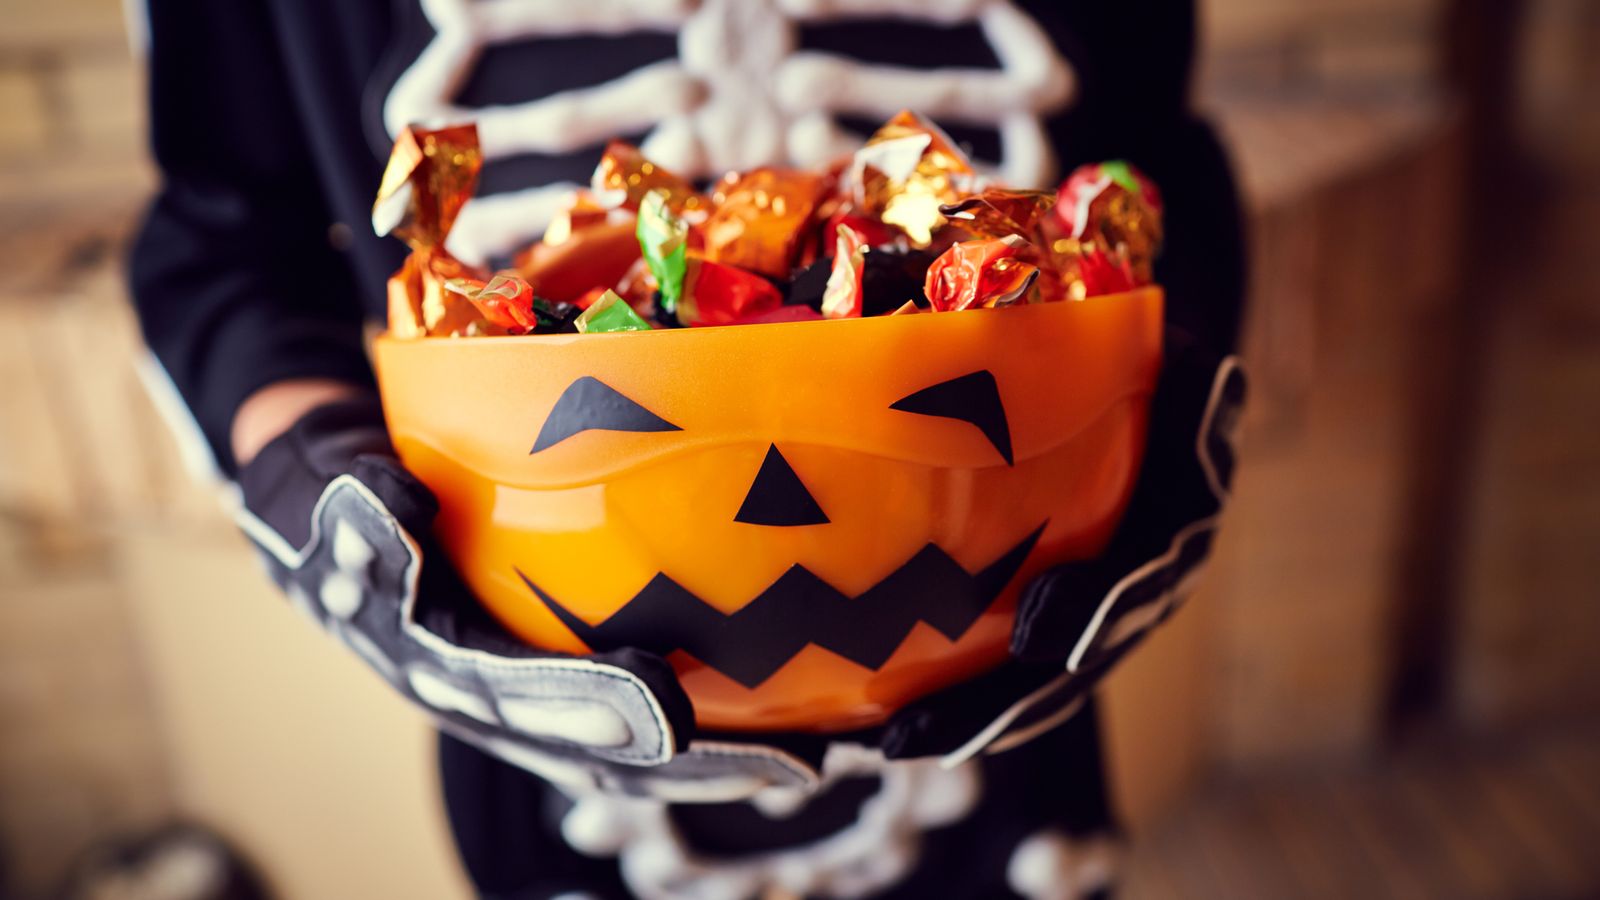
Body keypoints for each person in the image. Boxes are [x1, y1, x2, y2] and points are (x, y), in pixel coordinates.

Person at [129, 1, 1246, 897]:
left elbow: (1157, 155)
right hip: (551, 741)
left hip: (1005, 690)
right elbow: (226, 247)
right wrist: (316, 488)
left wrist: (1161, 424)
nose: (782, 504)